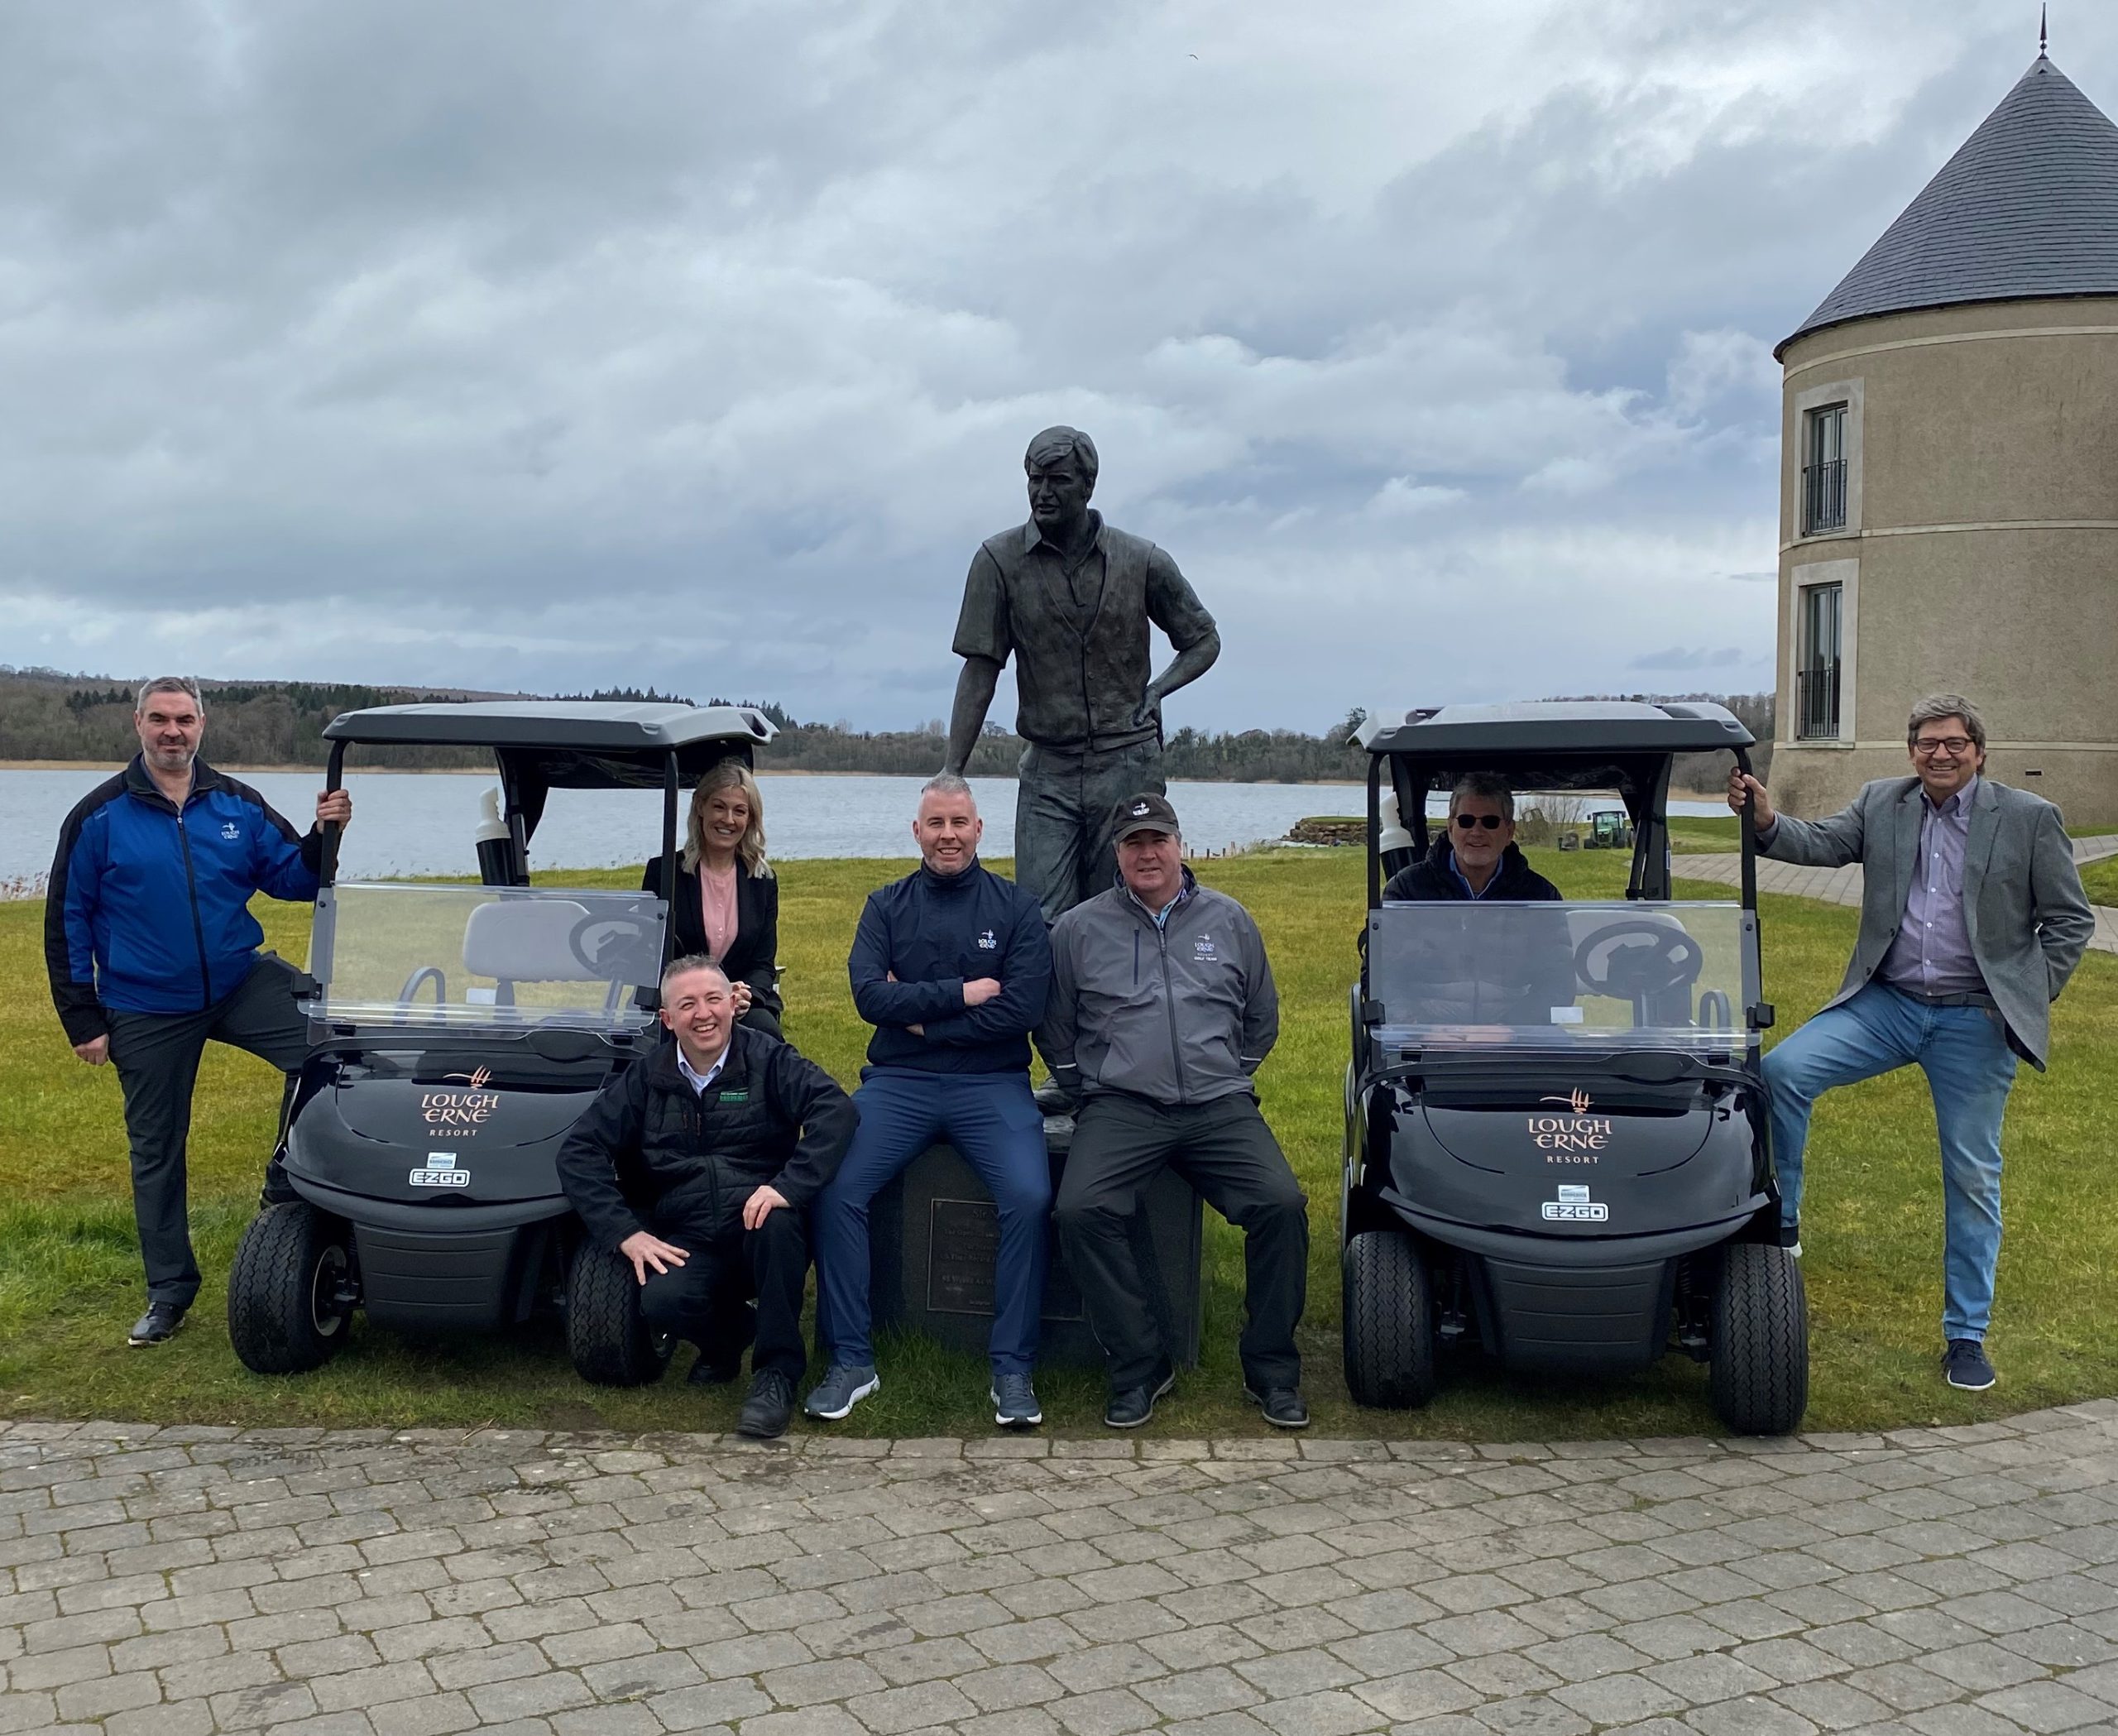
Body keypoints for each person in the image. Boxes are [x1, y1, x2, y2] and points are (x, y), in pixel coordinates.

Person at [1727, 694, 2093, 1393]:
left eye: (1955, 743)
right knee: (1779, 1073)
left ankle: (1966, 1335)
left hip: (1974, 1019)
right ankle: (1785, 1230)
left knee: (1972, 1175)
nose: (1941, 754)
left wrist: (2022, 995)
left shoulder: (2026, 819)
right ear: (1911, 752)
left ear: (1979, 752)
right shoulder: (1883, 803)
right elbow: (1821, 844)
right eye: (1927, 743)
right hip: (1886, 1003)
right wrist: (1767, 819)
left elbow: (2071, 921)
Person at [44, 676, 353, 1348]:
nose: (172, 732)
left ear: (202, 726)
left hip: (239, 981)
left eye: (184, 719)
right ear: (138, 725)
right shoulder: (98, 817)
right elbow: (67, 918)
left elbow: (298, 881)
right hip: (144, 1003)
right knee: (156, 1150)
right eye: (160, 719)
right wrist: (83, 1019)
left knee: (329, 1050)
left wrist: (323, 833)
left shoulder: (235, 803)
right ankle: (169, 1293)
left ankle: (285, 1186)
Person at [1042, 793, 1310, 1430]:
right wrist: (1090, 1088)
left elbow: (1261, 1017)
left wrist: (1228, 1074)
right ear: (1117, 853)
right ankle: (1140, 1364)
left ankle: (1270, 1369)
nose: (1147, 853)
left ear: (1179, 845)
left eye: (1157, 840)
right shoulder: (1079, 929)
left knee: (1282, 1206)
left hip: (1219, 1106)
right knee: (1080, 1210)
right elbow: (1055, 1028)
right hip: (1122, 1108)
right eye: (1134, 843)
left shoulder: (1231, 920)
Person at [805, 775, 1053, 1429]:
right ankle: (852, 1358)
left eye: (959, 823)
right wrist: (967, 994)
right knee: (837, 1189)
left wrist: (920, 1015)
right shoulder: (884, 907)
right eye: (935, 823)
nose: (948, 835)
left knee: (1029, 1196)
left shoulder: (1017, 909)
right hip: (899, 1084)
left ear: (979, 830)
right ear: (916, 832)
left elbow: (1022, 1010)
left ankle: (1012, 1367)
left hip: (992, 1084)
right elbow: (869, 998)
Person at [555, 957, 855, 1439]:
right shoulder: (645, 1077)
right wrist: (625, 1233)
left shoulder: (769, 1058)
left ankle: (775, 1376)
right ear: (667, 1019)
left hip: (760, 1225)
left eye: (714, 999)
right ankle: (729, 1341)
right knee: (664, 1300)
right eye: (687, 1004)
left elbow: (835, 1111)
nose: (704, 1014)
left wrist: (787, 1187)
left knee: (780, 1225)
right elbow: (579, 1151)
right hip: (688, 1232)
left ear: (733, 1005)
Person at [944, 425, 1221, 924]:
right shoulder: (998, 562)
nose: (1043, 493)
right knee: (1041, 916)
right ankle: (1049, 1007)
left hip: (1128, 761)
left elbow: (1203, 639)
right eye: (1034, 479)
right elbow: (981, 667)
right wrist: (953, 769)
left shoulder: (1141, 561)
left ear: (1087, 486)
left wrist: (1158, 690)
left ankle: (1131, 1005)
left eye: (1057, 480)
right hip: (1048, 768)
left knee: (1124, 908)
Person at [1378, 773, 1576, 1029]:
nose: (1477, 832)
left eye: (1490, 822)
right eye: (1466, 821)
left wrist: (1509, 1030)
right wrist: (1421, 1028)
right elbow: (1383, 976)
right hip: (1426, 1031)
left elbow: (1558, 984)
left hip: (1513, 1033)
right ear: (1451, 828)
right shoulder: (1408, 889)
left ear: (1509, 831)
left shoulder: (1539, 895)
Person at [643, 762, 783, 1037]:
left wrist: (746, 994)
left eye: (739, 811)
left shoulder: (763, 881)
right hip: (677, 1001)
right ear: (700, 807)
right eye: (719, 807)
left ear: (750, 819)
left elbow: (763, 963)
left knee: (765, 1036)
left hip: (739, 1005)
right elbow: (650, 953)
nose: (728, 820)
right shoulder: (664, 873)